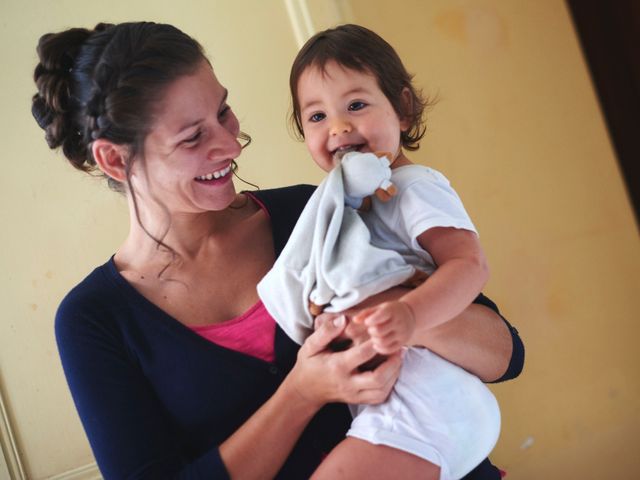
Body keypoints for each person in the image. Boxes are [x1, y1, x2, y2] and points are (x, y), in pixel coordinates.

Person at [31, 21, 523, 479]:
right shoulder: (94, 319)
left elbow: (505, 354)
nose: (230, 144)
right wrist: (302, 392)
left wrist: (394, 312)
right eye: (193, 136)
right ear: (115, 160)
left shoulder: (315, 212)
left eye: (222, 111)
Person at [258, 24, 509, 480]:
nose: (338, 127)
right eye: (316, 117)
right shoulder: (343, 206)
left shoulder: (416, 187)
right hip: (396, 407)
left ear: (404, 109)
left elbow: (470, 265)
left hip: (428, 407)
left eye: (356, 105)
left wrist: (411, 315)